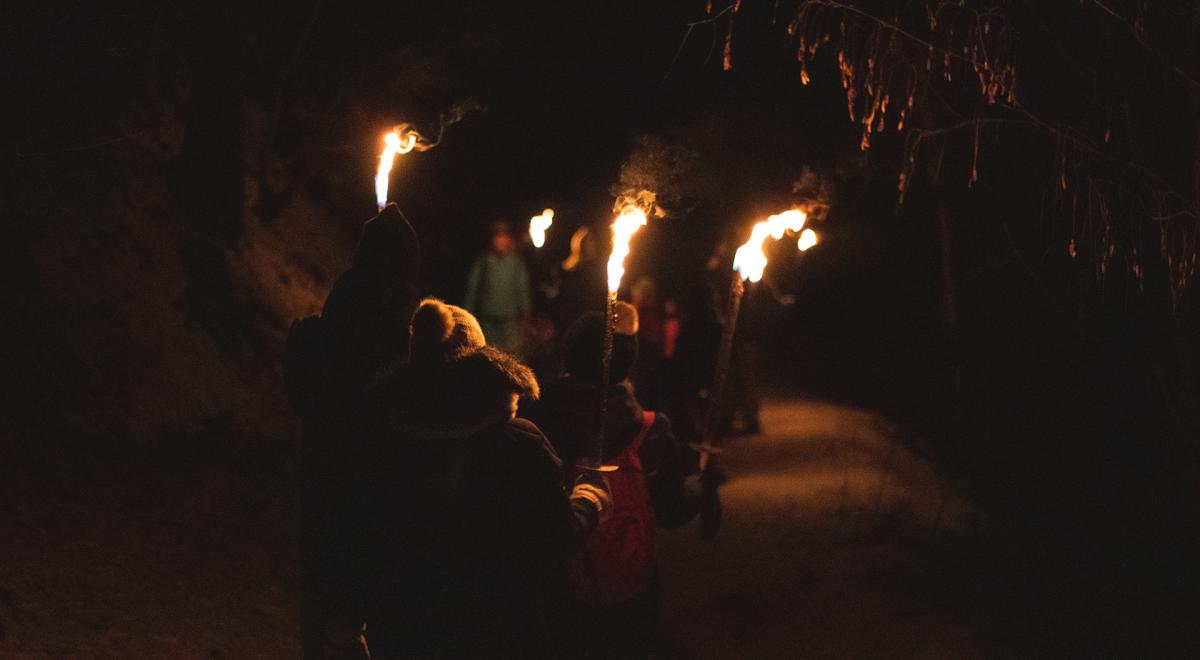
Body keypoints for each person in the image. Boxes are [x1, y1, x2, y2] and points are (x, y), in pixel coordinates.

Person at [362, 298, 611, 659]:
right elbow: (553, 536)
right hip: (496, 632)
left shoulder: (381, 434)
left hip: (405, 630)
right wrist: (588, 502)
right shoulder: (518, 444)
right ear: (479, 365)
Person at [524, 303, 716, 659]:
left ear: (569, 355)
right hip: (631, 593)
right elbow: (671, 508)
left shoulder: (533, 424)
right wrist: (702, 484)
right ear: (627, 363)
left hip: (557, 590)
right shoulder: (650, 430)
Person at [283, 203, 421, 659]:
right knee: (357, 602)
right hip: (371, 472)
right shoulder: (396, 314)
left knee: (326, 597)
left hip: (325, 468)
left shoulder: (342, 301)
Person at [464, 221, 532, 356]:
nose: (500, 240)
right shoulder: (483, 262)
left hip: (510, 324)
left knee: (513, 359)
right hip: (487, 323)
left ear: (509, 239)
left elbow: (523, 291)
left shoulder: (516, 263)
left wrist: (526, 316)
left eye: (503, 236)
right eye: (497, 237)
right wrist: (466, 317)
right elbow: (472, 290)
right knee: (488, 359)